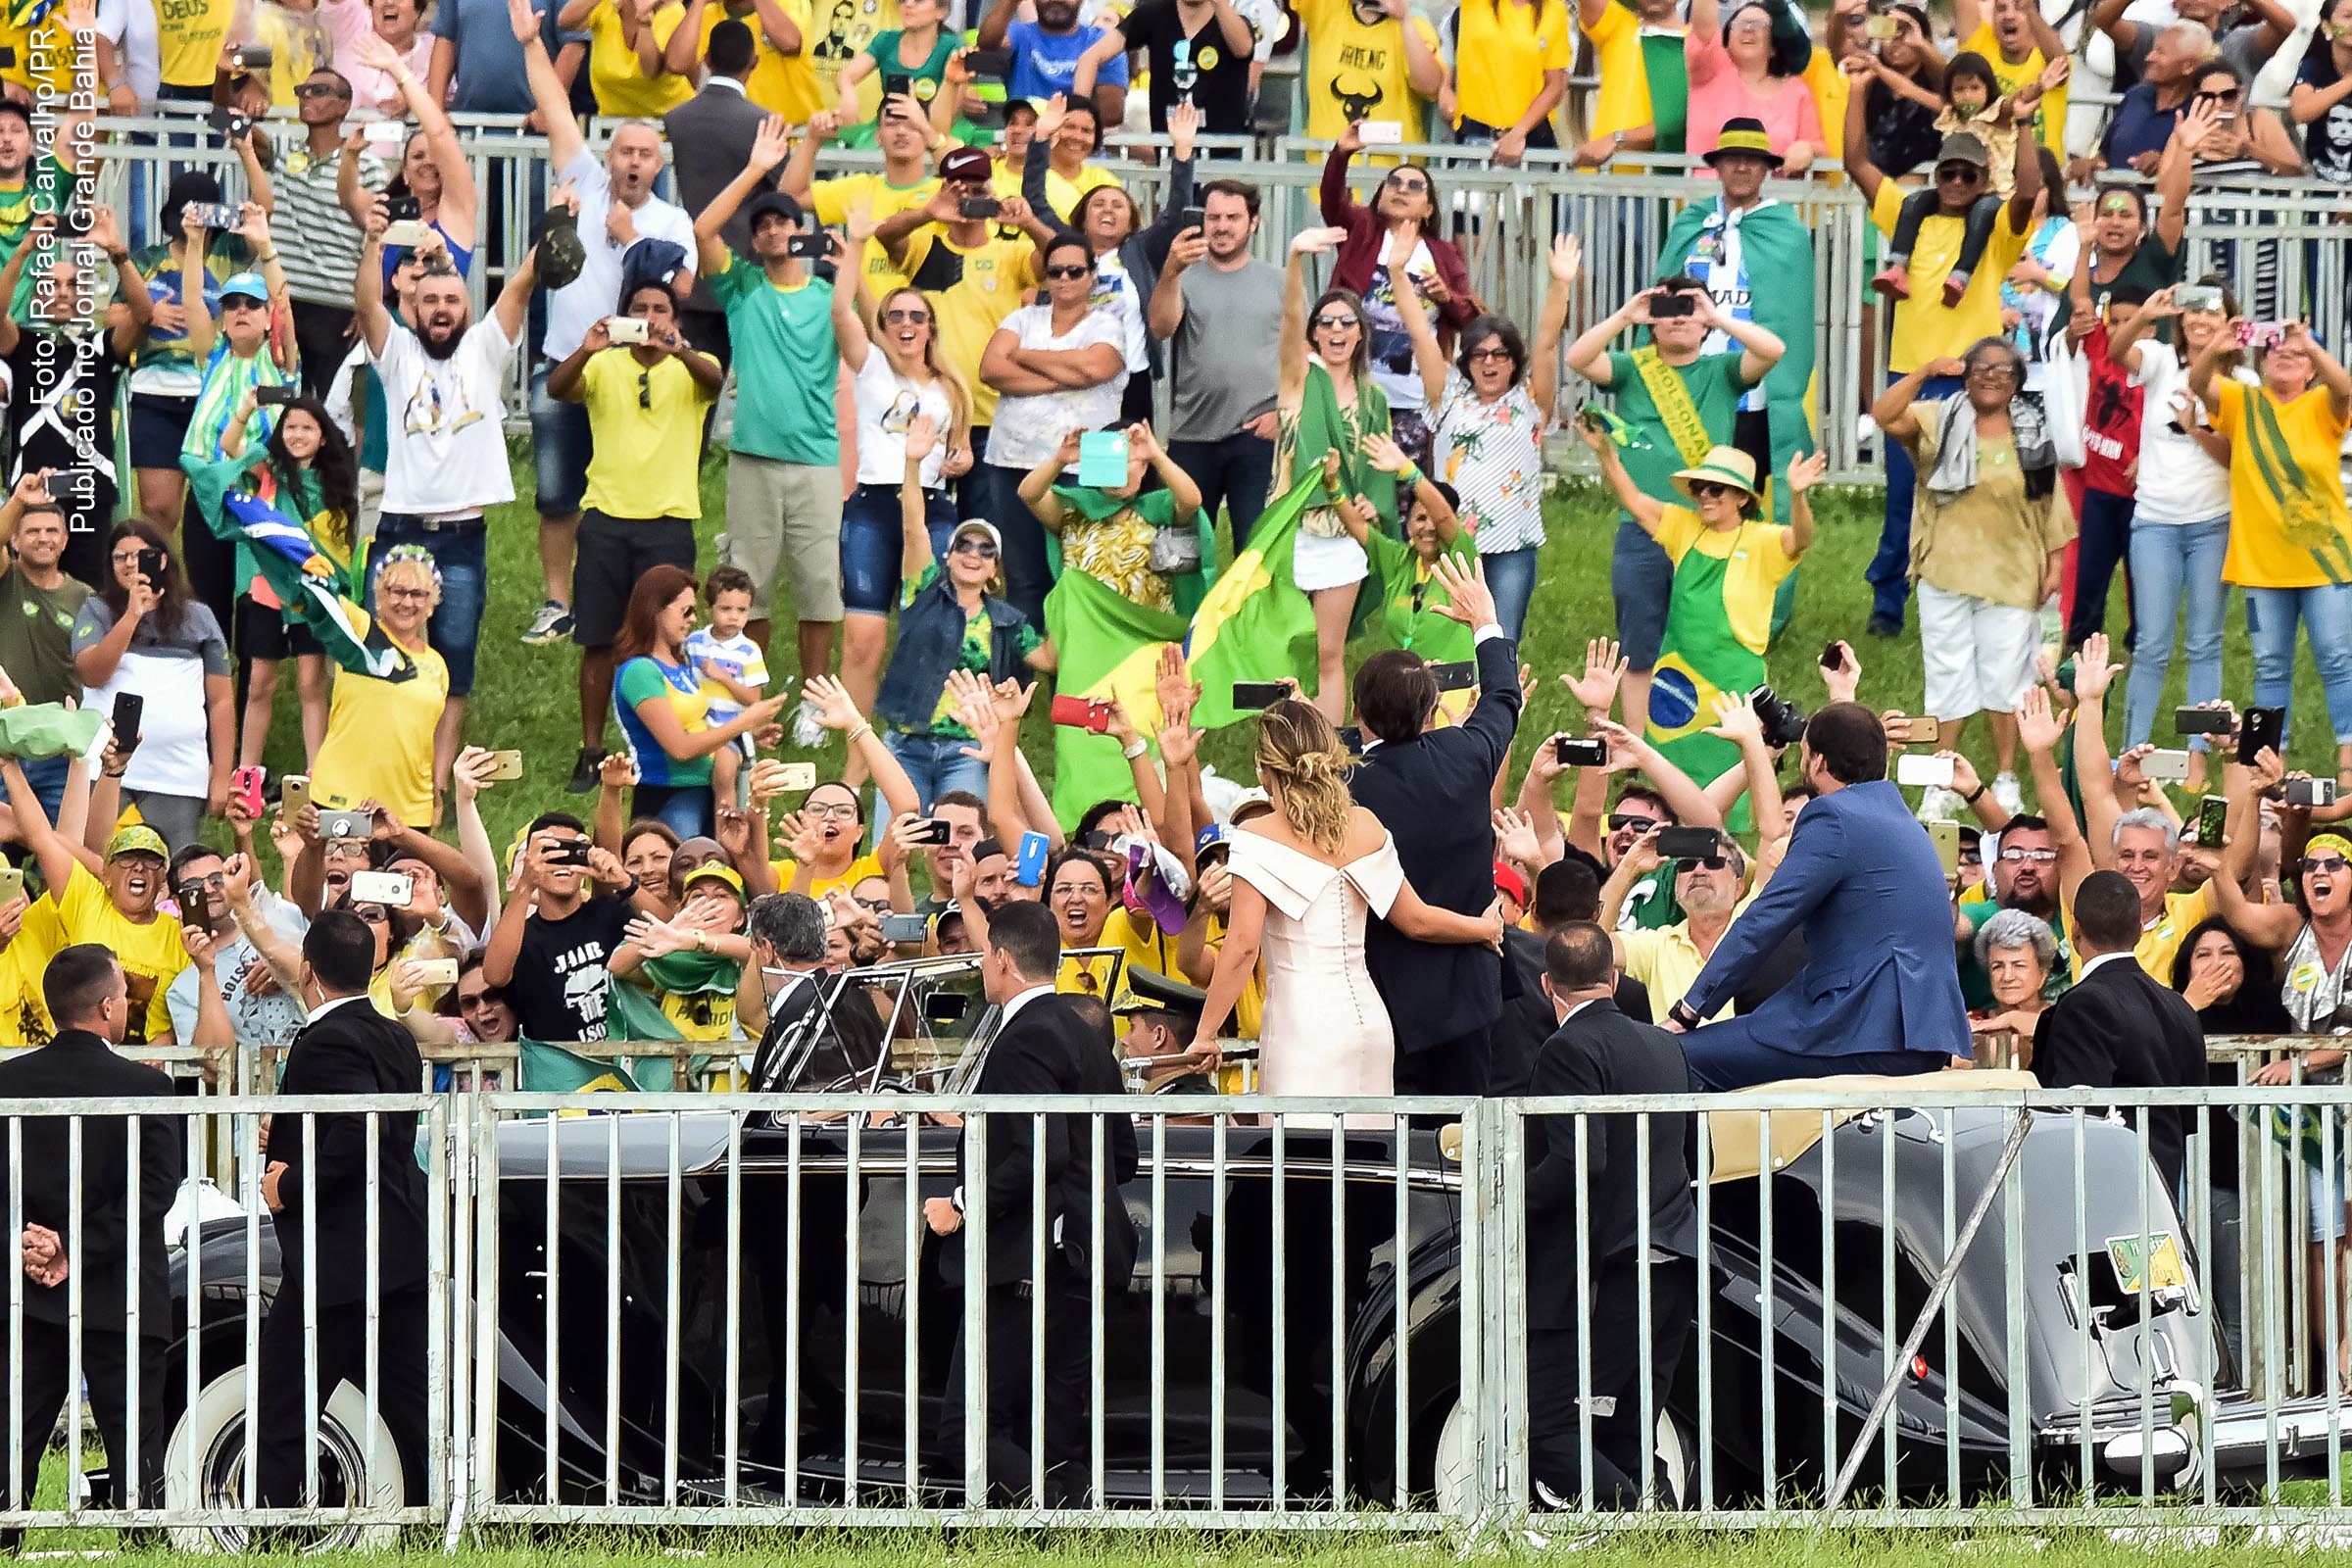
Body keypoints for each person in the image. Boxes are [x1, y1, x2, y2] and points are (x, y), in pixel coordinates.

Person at [921, 900, 1138, 1507]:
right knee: (1057, 1433)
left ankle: (1046, 1515)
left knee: (969, 1430)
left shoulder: (1024, 1036)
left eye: (984, 954)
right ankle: (1075, 1534)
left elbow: (1042, 1150)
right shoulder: (1086, 1032)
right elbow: (1122, 1157)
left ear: (1003, 959)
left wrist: (961, 1201)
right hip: (1084, 1257)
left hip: (1024, 1261)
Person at [1191, 696, 1503, 1112]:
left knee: (1301, 1165)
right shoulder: (1366, 825)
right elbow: (1416, 920)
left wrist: (1206, 1033)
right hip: (1371, 1025)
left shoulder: (1254, 837)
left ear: (1264, 770)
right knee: (1368, 1168)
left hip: (1301, 1030)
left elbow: (1243, 945)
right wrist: (1485, 928)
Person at [1668, 703, 1971, 1087]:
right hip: (1923, 1033)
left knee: (1673, 1058)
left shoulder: (1832, 816)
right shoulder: (1904, 821)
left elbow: (1766, 917)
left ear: (1819, 763)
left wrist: (1689, 1010)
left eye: (1804, 753)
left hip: (1858, 1028)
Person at [354, 198, 539, 793]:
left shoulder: (486, 348)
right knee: (378, 655)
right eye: (430, 300)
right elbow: (365, 304)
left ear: (466, 308)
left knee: (454, 661)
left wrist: (556, 221)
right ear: (414, 308)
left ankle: (432, 786)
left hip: (461, 536)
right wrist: (373, 244)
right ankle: (382, 770)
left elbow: (522, 285)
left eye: (452, 300)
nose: (441, 309)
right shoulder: (398, 355)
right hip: (399, 529)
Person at [1845, 91, 2046, 639]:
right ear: (1936, 176)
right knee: (1903, 498)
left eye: (1968, 176)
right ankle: (1888, 603)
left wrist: (2024, 123)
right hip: (1910, 378)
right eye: (1948, 173)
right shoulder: (1912, 214)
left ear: (1983, 181)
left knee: (1974, 495)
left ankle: (1969, 594)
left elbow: (2029, 190)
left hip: (1972, 384)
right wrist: (1857, 87)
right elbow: (1857, 163)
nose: (1957, 183)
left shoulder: (1997, 228)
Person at [253, 909, 430, 1517]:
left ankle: (277, 1529)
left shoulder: (325, 1037)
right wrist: (291, 1136)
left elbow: (358, 1138)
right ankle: (434, 1522)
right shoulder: (395, 1034)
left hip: (339, 1258)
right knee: (409, 1404)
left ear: (306, 971)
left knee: (283, 1400)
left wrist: (291, 1184)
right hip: (398, 1248)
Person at [0, 945, 181, 1524]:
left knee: (13, 1435)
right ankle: (144, 1546)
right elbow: (155, 1190)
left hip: (25, 1289)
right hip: (122, 1289)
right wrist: (76, 1249)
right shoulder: (147, 1088)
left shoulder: (7, 1082)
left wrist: (33, 1246)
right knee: (135, 1437)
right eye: (125, 997)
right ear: (107, 1007)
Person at [1523, 921, 1696, 1509]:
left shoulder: (1567, 1049)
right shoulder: (1665, 1045)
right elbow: (1693, 1151)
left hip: (1615, 1268)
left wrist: (1503, 1194)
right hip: (1678, 1257)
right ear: (1615, 978)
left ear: (1548, 986)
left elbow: (1578, 1161)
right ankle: (1667, 1533)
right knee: (1627, 1430)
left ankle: (1648, 1527)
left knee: (1549, 1433)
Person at [696, 118, 861, 727]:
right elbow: (704, 228)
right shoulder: (741, 286)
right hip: (753, 459)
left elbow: (866, 335)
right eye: (761, 225)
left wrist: (851, 267)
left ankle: (816, 709)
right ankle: (757, 704)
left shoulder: (825, 294)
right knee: (751, 589)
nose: (770, 230)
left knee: (820, 590)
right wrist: (753, 168)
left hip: (818, 459)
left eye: (781, 222)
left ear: (800, 231)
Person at [1562, 278, 1782, 730]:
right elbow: (1578, 358)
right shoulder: (1632, 368)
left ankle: (1699, 733)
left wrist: (1717, 317)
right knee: (1640, 643)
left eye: (1689, 307)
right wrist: (1626, 315)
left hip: (1708, 531)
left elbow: (1773, 350)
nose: (1679, 316)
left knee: (1703, 639)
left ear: (1705, 324)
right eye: (1667, 307)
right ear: (1651, 322)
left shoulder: (1722, 370)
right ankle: (1636, 746)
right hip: (1642, 525)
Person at [1870, 335, 2070, 817]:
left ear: (2018, 382)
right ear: (1964, 373)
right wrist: (1922, 371)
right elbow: (1882, 413)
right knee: (1947, 679)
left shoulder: (2033, 431)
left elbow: (2050, 505)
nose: (1991, 376)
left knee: (2008, 682)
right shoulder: (1939, 419)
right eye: (1981, 367)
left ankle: (2005, 779)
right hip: (1945, 569)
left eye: (2003, 370)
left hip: (2013, 572)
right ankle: (1941, 780)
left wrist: (2056, 565)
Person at [551, 278, 723, 776]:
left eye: (661, 309)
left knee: (667, 639)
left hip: (667, 523)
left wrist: (679, 347)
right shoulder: (604, 364)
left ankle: (665, 737)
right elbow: (559, 390)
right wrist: (585, 350)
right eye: (639, 309)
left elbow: (712, 382)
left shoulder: (694, 366)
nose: (650, 318)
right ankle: (590, 749)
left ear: (676, 317)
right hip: (606, 518)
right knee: (599, 638)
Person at [1582, 435, 1818, 794]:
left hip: (1733, 683)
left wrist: (1798, 495)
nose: (1705, 495)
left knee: (1729, 783)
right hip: (1677, 677)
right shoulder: (1683, 526)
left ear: (1741, 498)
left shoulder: (1763, 541)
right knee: (1665, 785)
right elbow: (1633, 499)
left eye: (1716, 489)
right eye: (1699, 487)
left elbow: (1801, 538)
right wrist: (1606, 454)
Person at [1383, 234, 1572, 642]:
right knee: (1444, 648)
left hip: (1512, 547)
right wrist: (1397, 272)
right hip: (1451, 541)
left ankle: (1498, 708)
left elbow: (1548, 342)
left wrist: (1561, 283)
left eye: (1500, 354)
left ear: (1514, 361)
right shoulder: (1448, 395)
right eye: (1479, 354)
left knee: (1499, 644)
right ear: (1466, 362)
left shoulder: (1530, 402)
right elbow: (1419, 333)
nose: (1489, 362)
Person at [2193, 318, 2352, 766]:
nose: (2286, 354)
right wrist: (2219, 345)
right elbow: (2199, 382)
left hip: (2326, 561)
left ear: (2311, 370)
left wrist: (2312, 346)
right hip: (2263, 565)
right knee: (2269, 665)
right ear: (2261, 362)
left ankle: (2349, 761)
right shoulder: (2245, 403)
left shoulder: (2324, 403)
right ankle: (2264, 762)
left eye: (2298, 354)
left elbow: (2344, 388)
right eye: (2277, 350)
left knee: (2338, 659)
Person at [836, 275, 974, 721]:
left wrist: (963, 459)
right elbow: (841, 310)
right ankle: (854, 734)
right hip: (874, 504)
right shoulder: (872, 365)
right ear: (884, 325)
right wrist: (855, 245)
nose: (906, 323)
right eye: (895, 315)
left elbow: (962, 450)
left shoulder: (951, 386)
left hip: (931, 505)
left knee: (930, 625)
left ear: (931, 328)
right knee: (863, 634)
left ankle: (922, 724)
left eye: (917, 316)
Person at [2119, 280, 2242, 766]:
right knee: (2150, 643)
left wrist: (2195, 429)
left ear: (2229, 323)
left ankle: (2197, 758)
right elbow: (2115, 350)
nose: (2200, 320)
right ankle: (2132, 753)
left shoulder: (2241, 383)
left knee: (2204, 644)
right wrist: (2144, 313)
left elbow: (2233, 457)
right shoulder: (2159, 360)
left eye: (2212, 313)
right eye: (2192, 311)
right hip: (2154, 523)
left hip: (2212, 523)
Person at [978, 231, 1126, 628]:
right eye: (1054, 271)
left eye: (1074, 271)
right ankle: (1022, 681)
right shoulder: (1021, 318)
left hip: (1089, 462)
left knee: (1086, 572)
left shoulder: (1108, 323)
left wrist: (1023, 357)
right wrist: (1066, 376)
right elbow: (991, 369)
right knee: (1024, 576)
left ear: (1092, 275)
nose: (1063, 279)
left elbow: (1096, 368)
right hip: (1013, 460)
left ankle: (1074, 681)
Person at [2031, 868, 2207, 1199]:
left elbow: (2074, 1112)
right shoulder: (2180, 1007)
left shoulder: (2083, 1004)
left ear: (2074, 928)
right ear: (2140, 931)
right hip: (2166, 1192)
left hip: (2106, 1196)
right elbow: (2191, 1117)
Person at [2, 206, 145, 593]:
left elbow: (143, 315)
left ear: (84, 295)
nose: (63, 293)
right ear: (36, 293)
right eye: (52, 285)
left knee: (90, 601)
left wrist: (118, 251)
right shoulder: (22, 344)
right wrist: (23, 251)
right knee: (27, 594)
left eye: (72, 285)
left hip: (90, 492)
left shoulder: (100, 346)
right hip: (32, 493)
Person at [1316, 122, 1475, 464]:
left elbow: (1470, 318)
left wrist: (1446, 297)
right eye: (1394, 182)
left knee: (1406, 495)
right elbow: (1331, 201)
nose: (1401, 189)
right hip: (1353, 391)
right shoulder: (1361, 230)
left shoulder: (1443, 254)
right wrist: (1341, 153)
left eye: (1414, 186)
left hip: (1415, 400)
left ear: (1429, 208)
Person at [72, 521, 232, 852]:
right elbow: (92, 673)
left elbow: (221, 701)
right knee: (100, 863)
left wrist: (221, 777)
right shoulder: (95, 610)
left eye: (142, 555)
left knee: (177, 869)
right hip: (105, 767)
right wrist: (131, 616)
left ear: (162, 561)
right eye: (121, 557)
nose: (131, 563)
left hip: (178, 773)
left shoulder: (199, 617)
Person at [1149, 177, 1284, 551]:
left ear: (1253, 222)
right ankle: (1184, 613)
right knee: (1180, 552)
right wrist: (1170, 272)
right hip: (1191, 434)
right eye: (1213, 217)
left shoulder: (1280, 282)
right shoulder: (1183, 276)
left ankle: (1248, 613)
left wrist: (1284, 412)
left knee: (1255, 550)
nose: (1222, 226)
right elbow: (1160, 327)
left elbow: (1302, 357)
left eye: (1233, 217)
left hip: (1256, 435)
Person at [608, 564, 791, 837]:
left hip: (705, 790)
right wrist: (745, 720)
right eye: (686, 611)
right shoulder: (640, 671)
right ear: (657, 610)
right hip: (669, 793)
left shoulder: (680, 663)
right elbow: (680, 747)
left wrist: (750, 732)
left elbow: (702, 724)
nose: (693, 619)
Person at [484, 812, 662, 1041]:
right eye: (550, 854)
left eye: (571, 853)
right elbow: (494, 975)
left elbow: (669, 931)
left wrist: (625, 882)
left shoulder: (608, 912)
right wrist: (526, 884)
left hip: (620, 1064)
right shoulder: (523, 936)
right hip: (561, 1070)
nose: (563, 864)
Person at [664, 18, 776, 363]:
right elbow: (783, 193)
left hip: (693, 278)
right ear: (754, 62)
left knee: (698, 391)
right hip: (746, 277)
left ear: (707, 58)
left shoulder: (677, 118)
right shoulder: (764, 123)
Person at [0, 481, 99, 819]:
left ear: (66, 539)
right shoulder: (6, 580)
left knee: (61, 859)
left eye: (52, 531)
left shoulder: (86, 597)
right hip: (6, 743)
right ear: (14, 540)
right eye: (32, 531)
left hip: (61, 747)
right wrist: (17, 502)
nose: (44, 538)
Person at [1072, 0, 1254, 136]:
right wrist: (1079, 118)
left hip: (1224, 156)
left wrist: (1220, 4)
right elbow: (1090, 58)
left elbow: (1243, 48)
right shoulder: (1155, 14)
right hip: (1168, 151)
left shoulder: (1233, 23)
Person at [1684, 0, 1823, 170]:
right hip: (1707, 193)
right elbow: (1703, 30)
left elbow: (1820, 147)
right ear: (1725, 41)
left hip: (1775, 194)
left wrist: (1809, 149)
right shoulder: (1710, 71)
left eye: (1759, 25)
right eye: (1740, 23)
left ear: (1773, 47)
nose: (1748, 28)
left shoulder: (1797, 91)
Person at [1294, 0, 1443, 143]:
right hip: (1330, 162)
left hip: (1392, 165)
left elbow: (1430, 86)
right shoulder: (1327, 11)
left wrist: (1405, 21)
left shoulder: (1417, 24)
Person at [979, 0, 1128, 124]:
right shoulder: (1020, 33)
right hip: (1025, 142)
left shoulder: (1101, 41)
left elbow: (1111, 114)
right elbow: (987, 42)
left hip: (1077, 144)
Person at [1965, 906, 2056, 1067]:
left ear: (2042, 975)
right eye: (1997, 966)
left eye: (2019, 965)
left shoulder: (2063, 1018)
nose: (2007, 977)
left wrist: (2011, 1020)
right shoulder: (1970, 1022)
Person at [2297, 0, 2352, 185]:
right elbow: (2301, 112)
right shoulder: (2315, 65)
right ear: (2327, 27)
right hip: (2323, 185)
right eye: (2347, 16)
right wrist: (2348, 83)